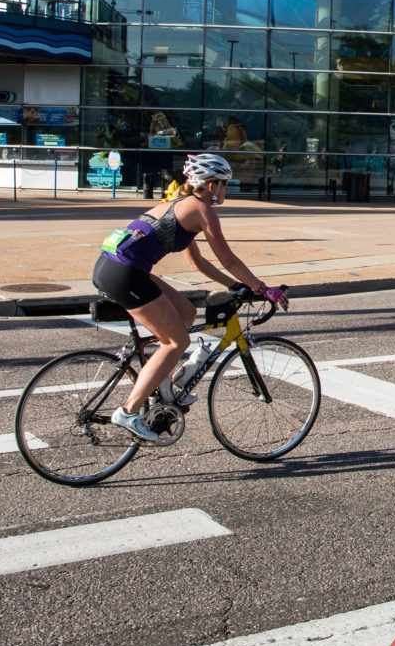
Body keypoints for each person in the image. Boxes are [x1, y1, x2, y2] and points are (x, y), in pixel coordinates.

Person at [92, 153, 288, 444]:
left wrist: (236, 286)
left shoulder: (178, 205)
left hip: (115, 267)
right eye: (225, 184)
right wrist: (262, 288)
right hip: (125, 274)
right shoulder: (202, 210)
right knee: (176, 341)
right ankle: (129, 411)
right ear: (211, 185)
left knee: (184, 313)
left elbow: (199, 263)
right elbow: (228, 259)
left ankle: (166, 385)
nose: (227, 190)